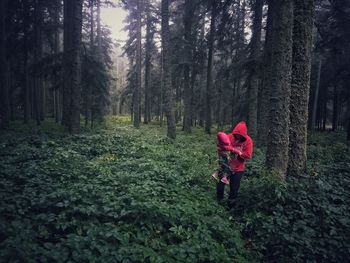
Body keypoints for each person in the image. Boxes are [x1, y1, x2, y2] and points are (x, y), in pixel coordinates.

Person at [216, 121, 253, 209]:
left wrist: (235, 151)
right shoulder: (229, 137)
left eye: (241, 136)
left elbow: (248, 155)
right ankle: (218, 203)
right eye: (237, 134)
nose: (238, 137)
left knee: (234, 189)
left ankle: (230, 207)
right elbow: (221, 146)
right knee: (220, 185)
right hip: (225, 166)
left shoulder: (248, 141)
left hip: (238, 169)